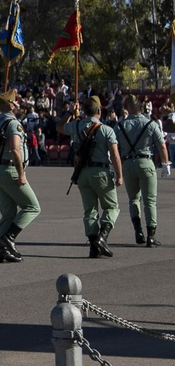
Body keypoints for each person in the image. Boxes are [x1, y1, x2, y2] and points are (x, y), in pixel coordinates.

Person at [0, 89, 39, 262]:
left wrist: (0, 108)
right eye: (15, 102)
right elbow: (15, 149)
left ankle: (3, 252)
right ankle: (8, 238)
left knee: (8, 213)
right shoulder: (14, 124)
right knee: (32, 207)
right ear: (10, 105)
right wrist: (21, 174)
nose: (18, 104)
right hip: (11, 170)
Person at [70, 97, 124, 256]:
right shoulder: (106, 130)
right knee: (111, 207)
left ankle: (94, 247)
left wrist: (70, 112)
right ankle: (102, 237)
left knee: (90, 210)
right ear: (99, 111)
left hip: (83, 173)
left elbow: (60, 127)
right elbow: (115, 155)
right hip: (101, 172)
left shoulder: (76, 126)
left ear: (85, 111)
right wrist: (120, 175)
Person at [114, 94, 168, 247]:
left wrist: (115, 167)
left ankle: (138, 231)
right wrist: (166, 164)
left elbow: (113, 147)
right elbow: (161, 145)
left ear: (127, 108)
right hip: (145, 162)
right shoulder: (150, 124)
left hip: (128, 165)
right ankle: (151, 236)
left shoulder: (120, 126)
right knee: (150, 201)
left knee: (133, 199)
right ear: (140, 107)